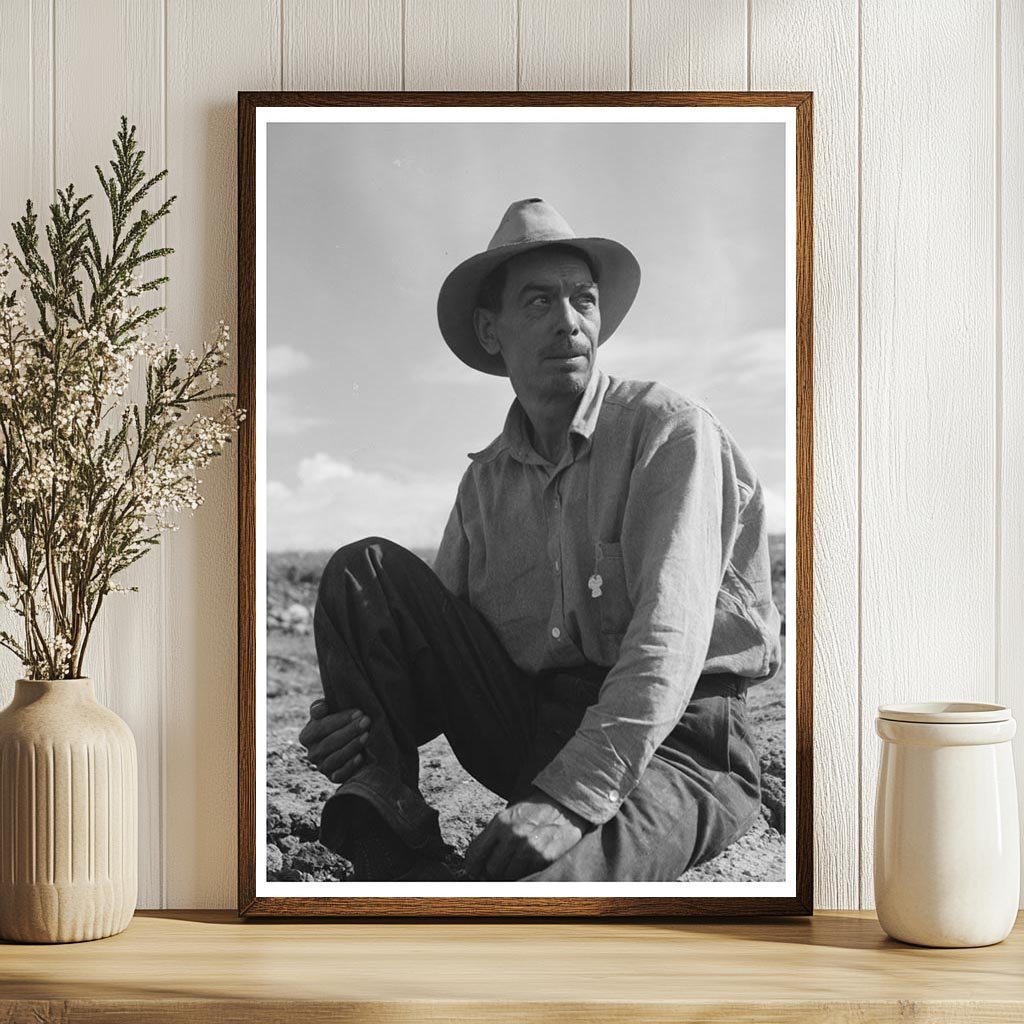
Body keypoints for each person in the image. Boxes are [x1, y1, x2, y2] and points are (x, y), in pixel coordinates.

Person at [298, 198, 782, 882]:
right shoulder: (485, 484)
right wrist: (353, 724)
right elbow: (430, 663)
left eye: (583, 300)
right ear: (490, 331)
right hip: (535, 734)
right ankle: (392, 838)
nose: (569, 322)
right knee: (363, 572)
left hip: (682, 745)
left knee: (541, 894)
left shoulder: (668, 433)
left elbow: (665, 649)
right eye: (538, 302)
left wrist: (565, 800)